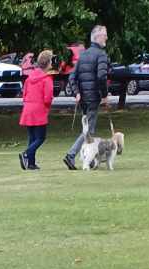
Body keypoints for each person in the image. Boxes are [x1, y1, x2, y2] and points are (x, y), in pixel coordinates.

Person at [63, 24, 109, 169]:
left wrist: (77, 93)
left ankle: (88, 157)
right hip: (93, 97)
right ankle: (71, 155)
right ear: (97, 37)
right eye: (104, 35)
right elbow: (102, 77)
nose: (106, 37)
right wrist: (104, 95)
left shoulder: (83, 55)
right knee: (89, 131)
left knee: (87, 128)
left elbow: (72, 77)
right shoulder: (101, 54)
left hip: (83, 98)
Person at [19, 48, 55, 169]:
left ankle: (31, 163)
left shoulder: (29, 78)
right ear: (48, 63)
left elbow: (24, 94)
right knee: (40, 138)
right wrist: (47, 107)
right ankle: (26, 154)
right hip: (39, 110)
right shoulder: (47, 79)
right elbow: (47, 98)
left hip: (28, 109)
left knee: (32, 137)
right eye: (51, 61)